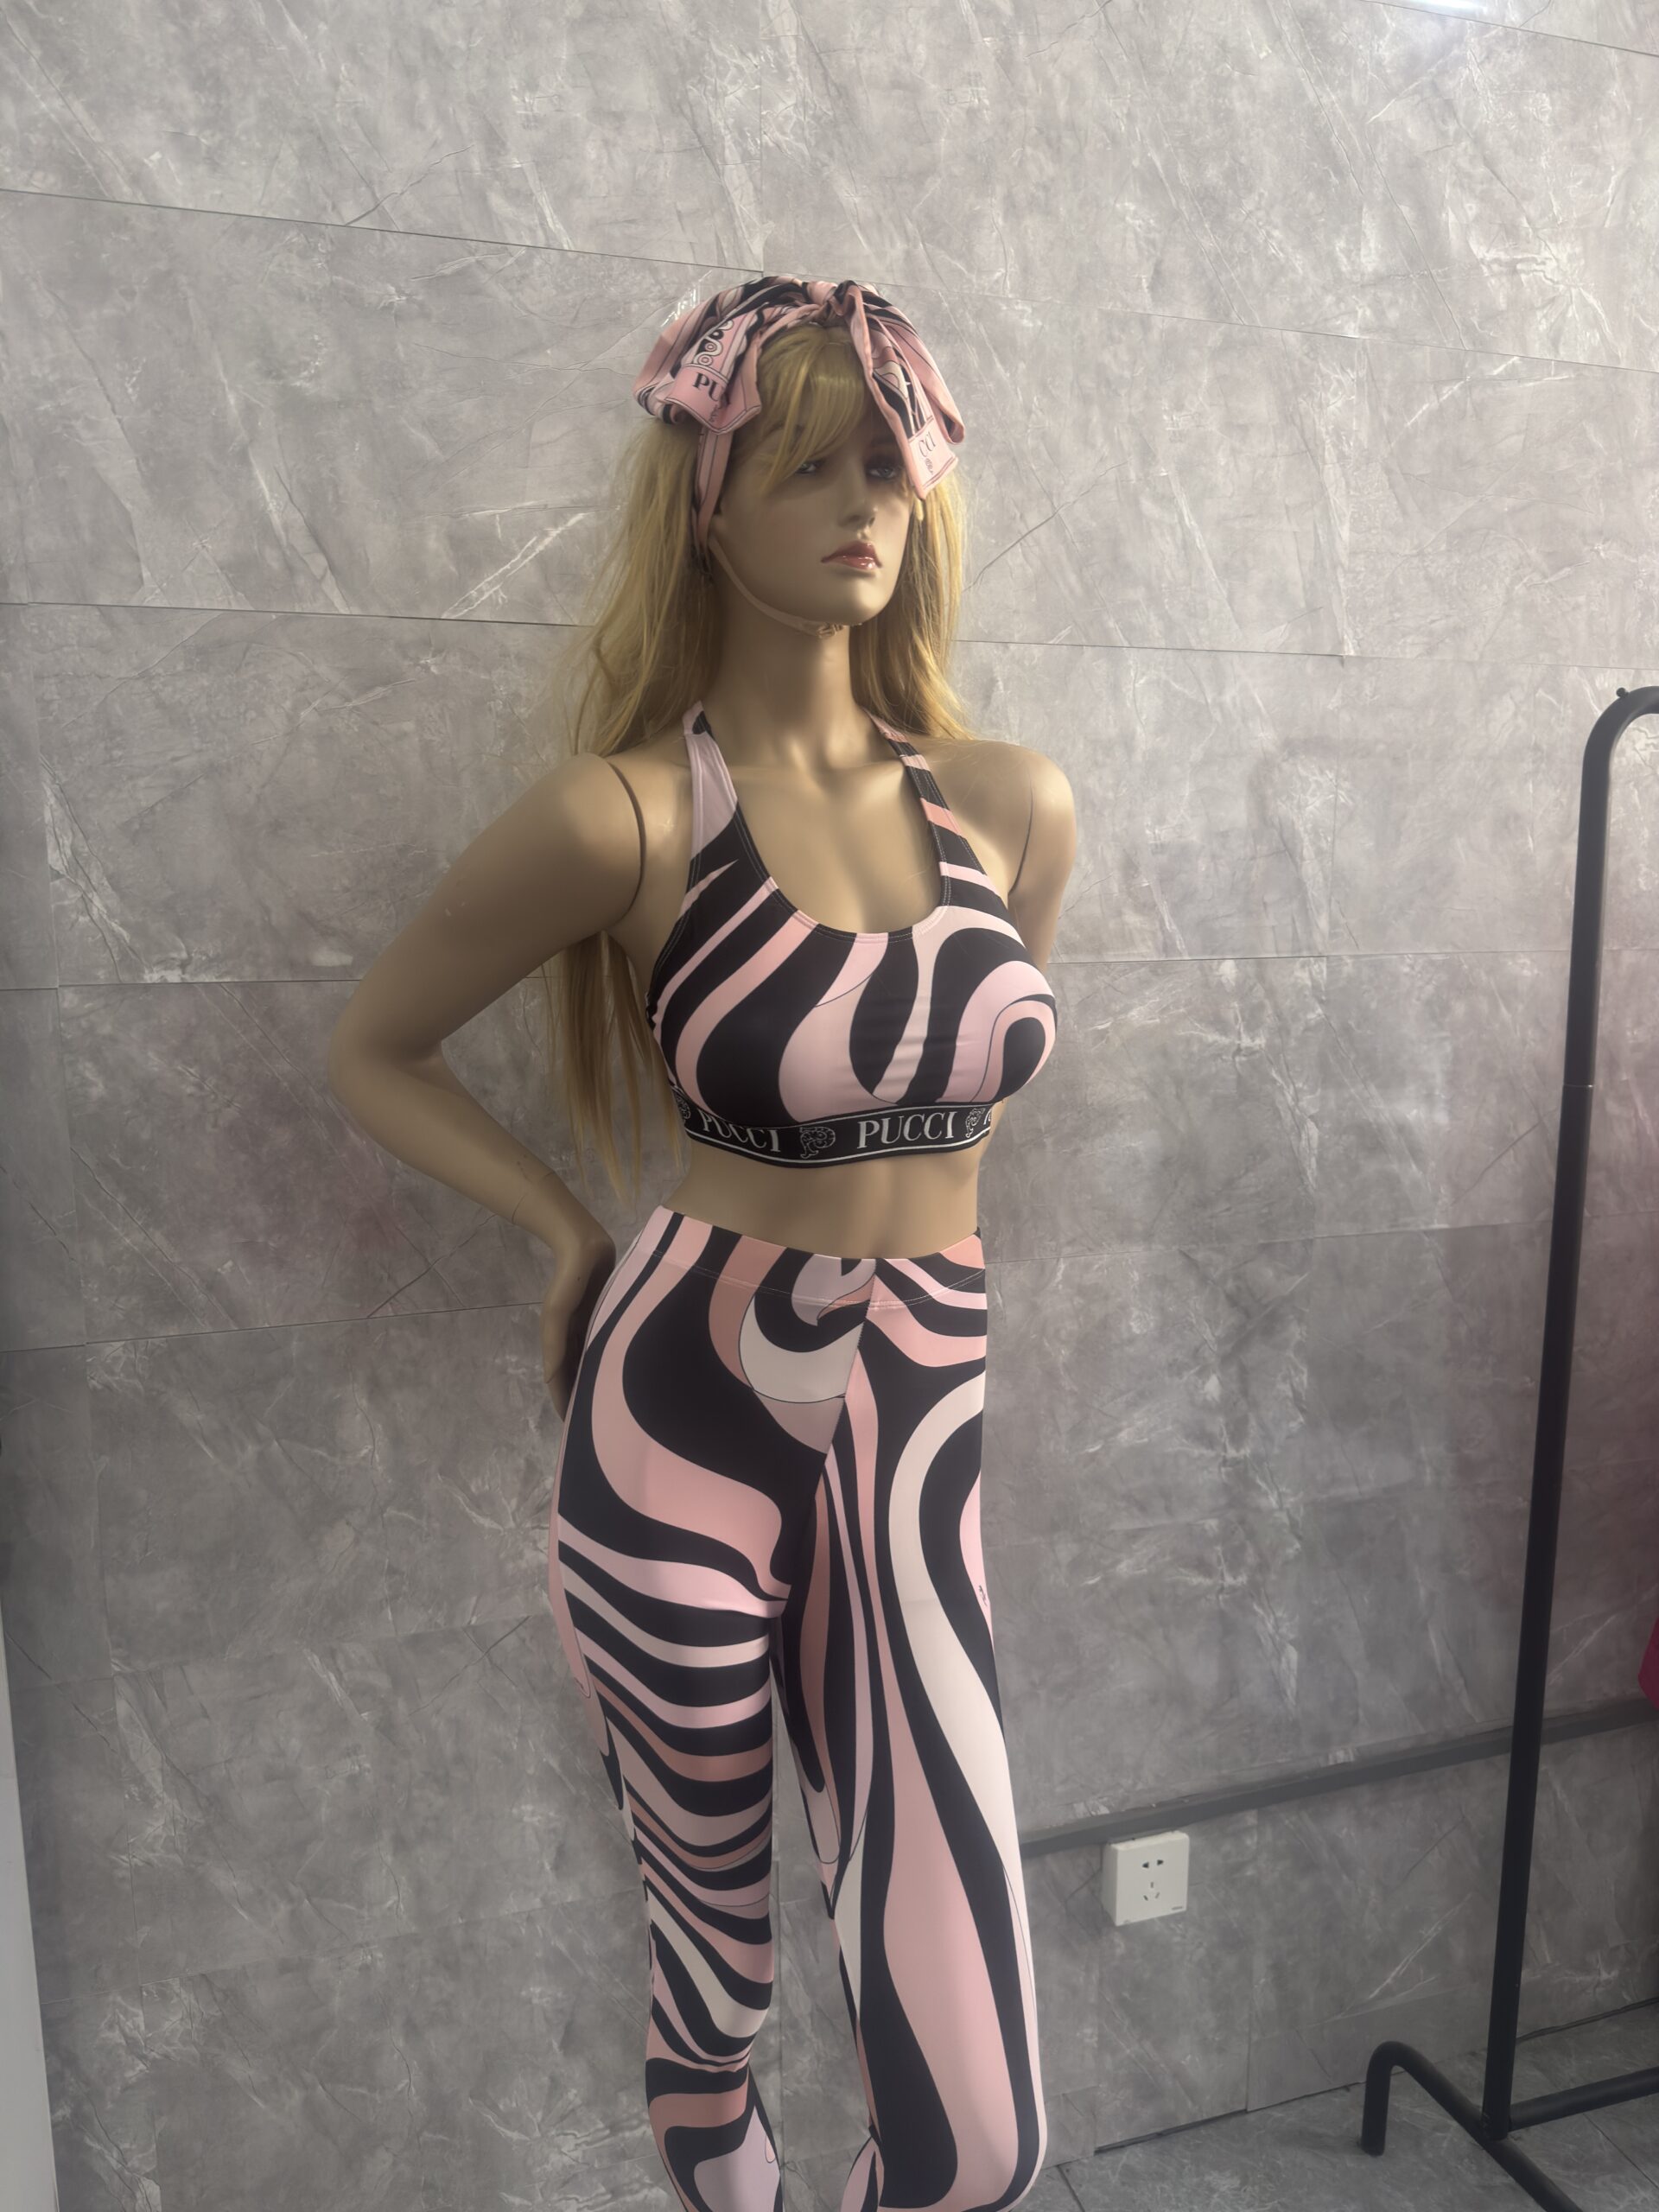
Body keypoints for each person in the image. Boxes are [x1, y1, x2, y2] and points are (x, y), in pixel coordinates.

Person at [326, 276, 1075, 2210]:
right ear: (708, 500)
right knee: (715, 1975)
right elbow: (375, 1043)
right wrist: (563, 1229)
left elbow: (958, 1092)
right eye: (810, 463)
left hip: (917, 1417)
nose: (865, 502)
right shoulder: (625, 819)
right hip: (679, 1415)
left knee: (981, 2137)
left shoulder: (1011, 808)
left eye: (888, 463)